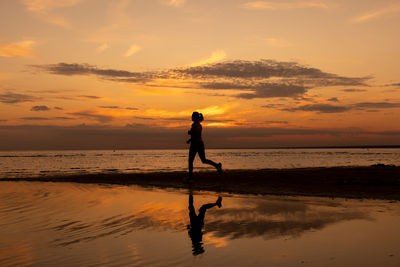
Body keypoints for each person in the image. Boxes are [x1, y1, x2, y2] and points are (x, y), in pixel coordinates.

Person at [187, 111, 222, 179]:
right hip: (198, 144)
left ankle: (190, 177)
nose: (191, 117)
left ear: (196, 117)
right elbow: (193, 133)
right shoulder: (195, 125)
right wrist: (190, 133)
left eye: (193, 116)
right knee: (202, 160)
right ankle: (217, 165)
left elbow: (197, 135)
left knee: (193, 161)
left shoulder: (197, 125)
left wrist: (190, 139)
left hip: (196, 144)